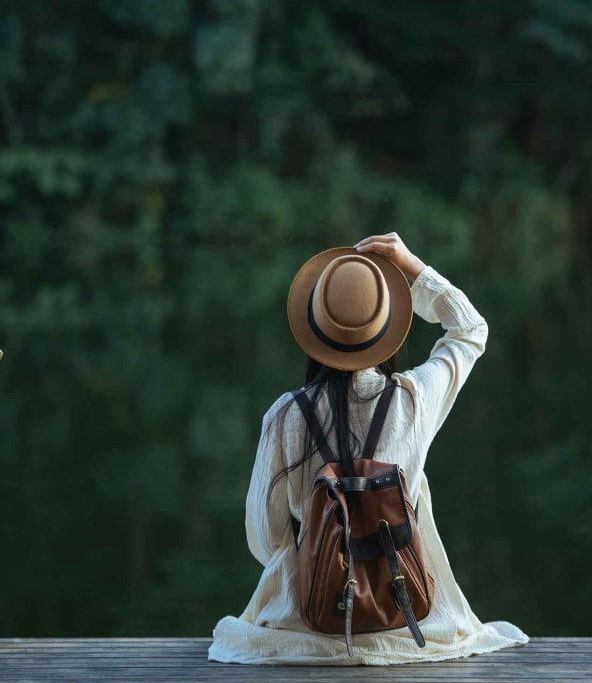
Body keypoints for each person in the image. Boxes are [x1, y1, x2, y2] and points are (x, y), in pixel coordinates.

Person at [208, 232, 529, 665]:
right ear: (386, 329)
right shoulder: (413, 400)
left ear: (315, 330)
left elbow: (265, 541)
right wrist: (413, 266)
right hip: (404, 624)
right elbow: (470, 330)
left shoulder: (285, 416)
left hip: (304, 628)